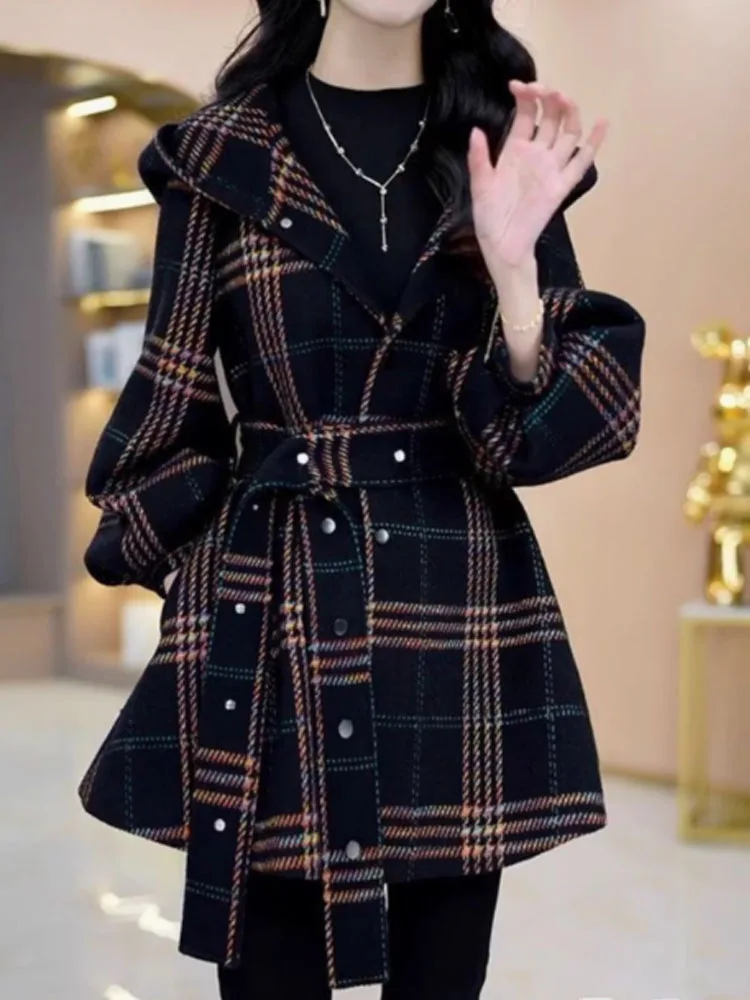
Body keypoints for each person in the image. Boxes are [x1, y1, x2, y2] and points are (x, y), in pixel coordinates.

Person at [77, 0, 646, 997]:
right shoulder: (221, 158)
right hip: (275, 622)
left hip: (458, 622)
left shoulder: (499, 143)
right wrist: (212, 582)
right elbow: (166, 413)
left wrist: (515, 275)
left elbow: (546, 429)